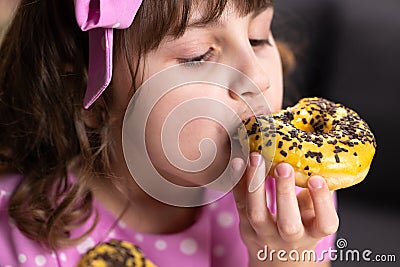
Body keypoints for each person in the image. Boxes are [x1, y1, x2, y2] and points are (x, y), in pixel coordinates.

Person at [0, 0, 338, 266]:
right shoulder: (21, 235)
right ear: (89, 98)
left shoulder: (290, 196)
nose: (257, 77)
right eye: (198, 55)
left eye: (258, 37)